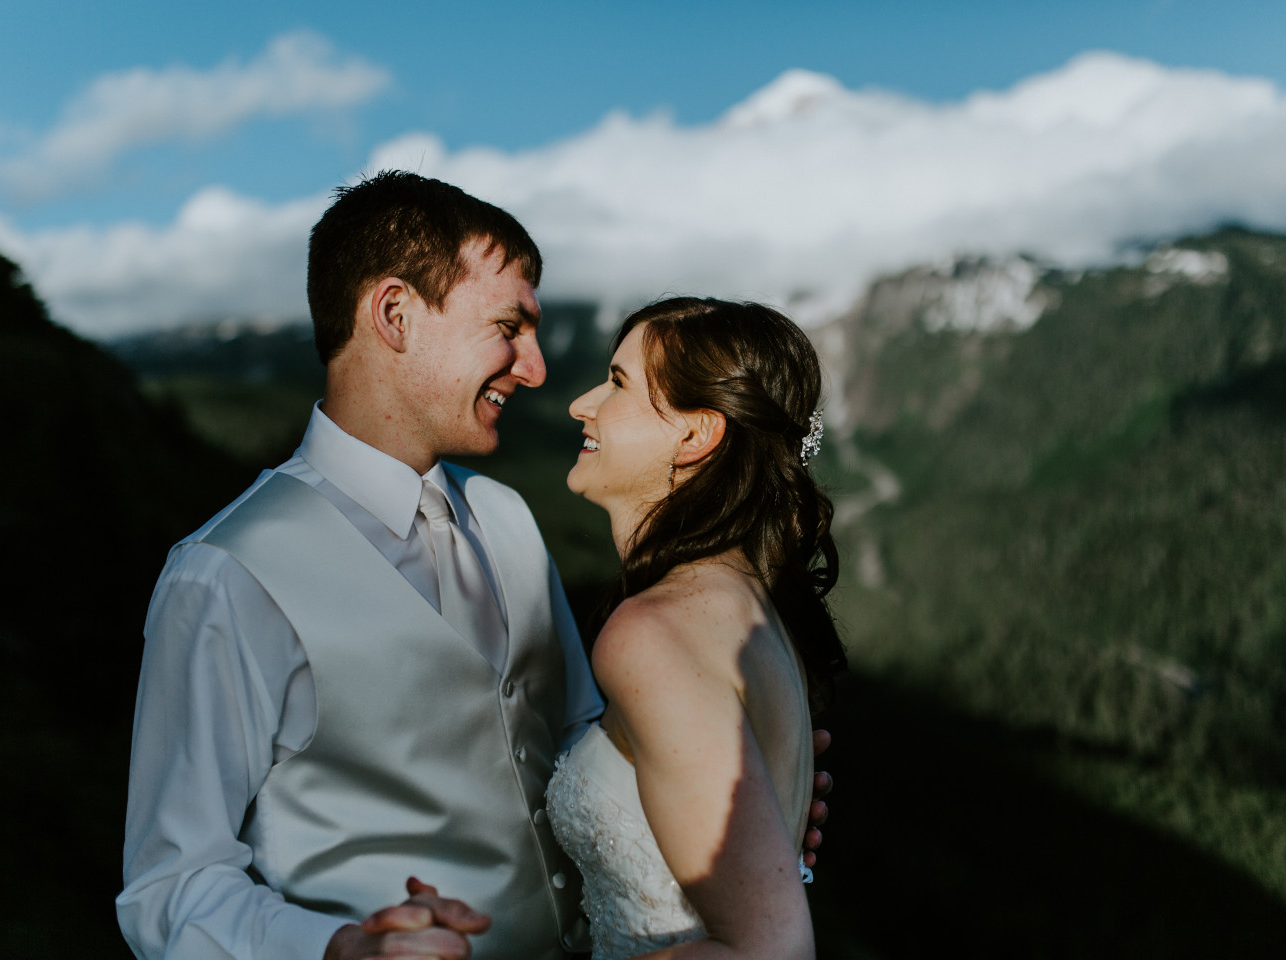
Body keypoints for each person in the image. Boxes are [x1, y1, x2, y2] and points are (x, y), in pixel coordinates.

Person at [117, 174, 830, 960]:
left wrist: (740, 809)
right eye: (508, 327)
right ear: (395, 315)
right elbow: (169, 887)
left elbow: (581, 748)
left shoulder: (509, 519)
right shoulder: (226, 574)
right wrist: (341, 948)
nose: (536, 370)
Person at [546, 297, 846, 960]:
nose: (582, 405)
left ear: (695, 435)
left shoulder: (653, 633)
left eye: (619, 384)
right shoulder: (750, 607)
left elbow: (772, 950)